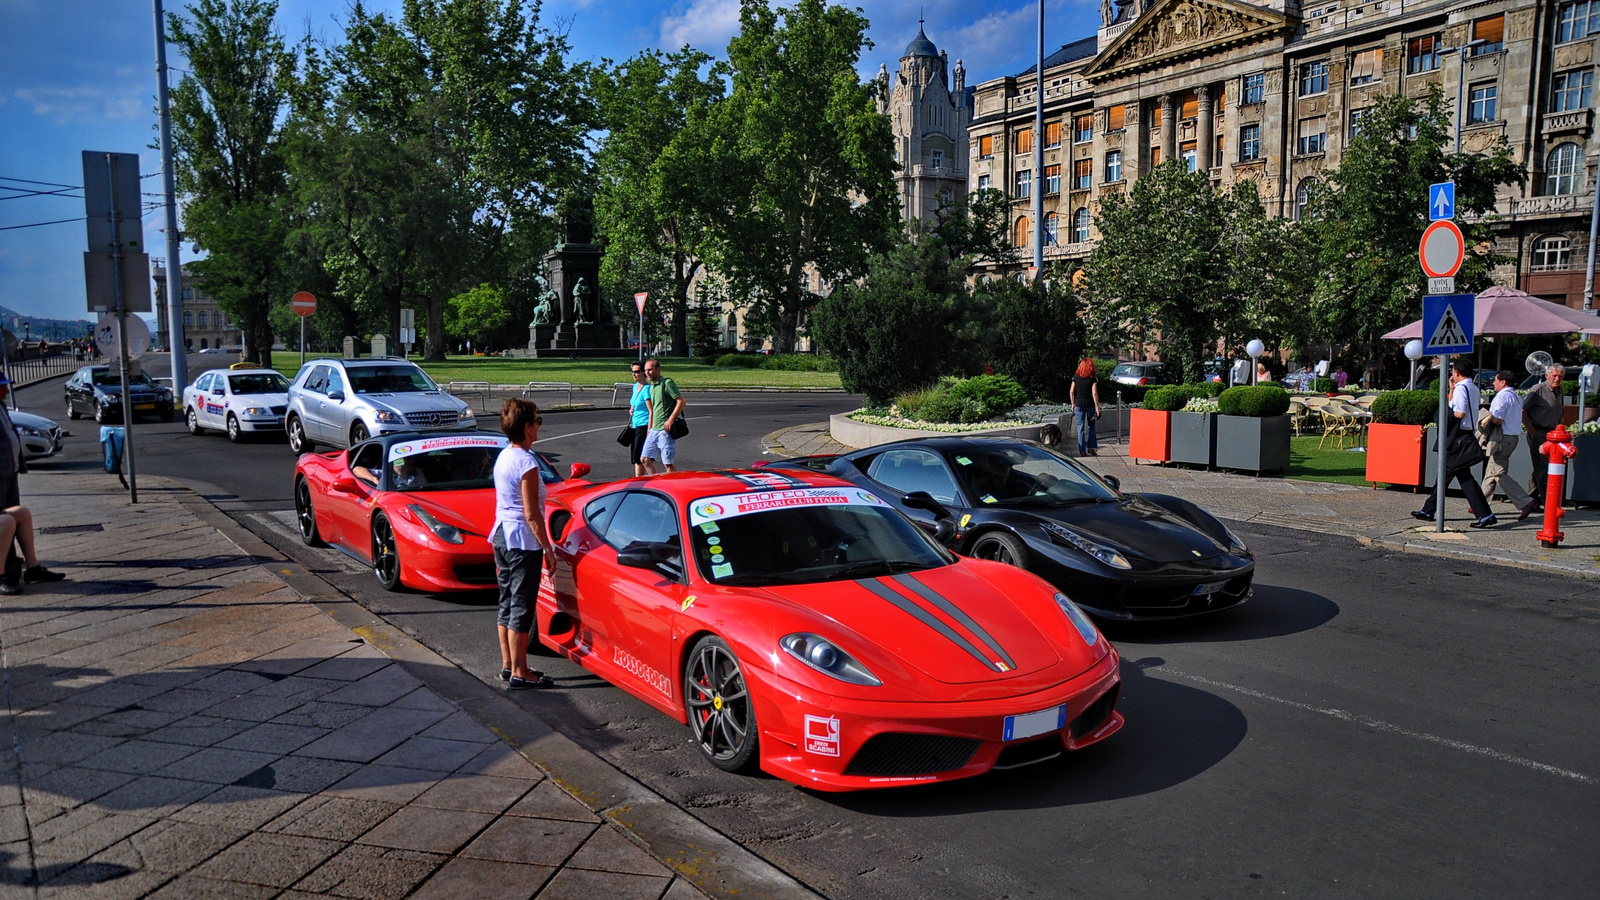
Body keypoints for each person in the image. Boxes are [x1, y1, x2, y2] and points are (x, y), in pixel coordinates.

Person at [492, 398, 555, 690]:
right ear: (527, 427)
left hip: (502, 535)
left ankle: (508, 664)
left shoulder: (504, 455)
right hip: (521, 541)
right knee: (522, 606)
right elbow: (532, 513)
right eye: (538, 421)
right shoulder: (527, 463)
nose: (540, 425)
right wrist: (548, 548)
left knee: (506, 601)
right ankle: (521, 670)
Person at [1414, 359, 1495, 528]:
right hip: (1465, 434)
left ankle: (1429, 510)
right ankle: (1484, 514)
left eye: (1452, 372)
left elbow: (1459, 412)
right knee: (1461, 477)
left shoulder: (1461, 388)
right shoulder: (1471, 387)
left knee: (1446, 474)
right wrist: (1451, 389)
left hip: (1456, 436)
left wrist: (1445, 415)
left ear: (1457, 372)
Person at [1482, 369, 1538, 521]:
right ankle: (1480, 503)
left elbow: (1497, 420)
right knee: (1492, 469)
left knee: (1498, 472)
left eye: (1496, 380)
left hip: (1501, 437)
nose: (1493, 383)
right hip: (1512, 437)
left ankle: (1525, 501)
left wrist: (1485, 418)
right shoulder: (1516, 397)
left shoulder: (1502, 397)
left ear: (1503, 382)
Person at [1523, 363, 1563, 508]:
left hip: (1553, 434)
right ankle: (1549, 504)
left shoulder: (1560, 390)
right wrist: (1533, 432)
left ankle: (1531, 499)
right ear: (1547, 376)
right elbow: (1523, 410)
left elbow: (1559, 411)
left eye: (1560, 376)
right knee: (1543, 468)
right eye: (1554, 376)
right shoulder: (1538, 390)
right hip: (1539, 432)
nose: (1557, 379)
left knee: (1541, 467)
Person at [640, 357, 686, 474]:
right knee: (645, 459)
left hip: (665, 431)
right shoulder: (652, 386)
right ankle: (658, 483)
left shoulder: (667, 383)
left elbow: (681, 401)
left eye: (650, 370)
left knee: (668, 464)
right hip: (654, 430)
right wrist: (650, 428)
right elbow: (653, 409)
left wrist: (670, 419)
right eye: (646, 370)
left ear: (658, 369)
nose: (647, 373)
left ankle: (676, 486)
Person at [1068, 358, 1100, 456]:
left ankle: (1082, 450)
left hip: (1078, 404)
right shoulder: (1093, 378)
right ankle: (1090, 447)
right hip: (1090, 405)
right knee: (1091, 426)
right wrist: (1097, 407)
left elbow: (1071, 391)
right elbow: (1094, 393)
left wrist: (1073, 403)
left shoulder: (1076, 377)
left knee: (1080, 428)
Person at [626, 362, 651, 477]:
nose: (634, 374)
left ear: (643, 373)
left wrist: (650, 428)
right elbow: (634, 403)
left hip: (644, 424)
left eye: (637, 372)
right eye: (633, 372)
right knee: (636, 457)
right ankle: (639, 479)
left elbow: (651, 410)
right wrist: (632, 409)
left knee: (640, 457)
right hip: (635, 424)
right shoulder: (635, 387)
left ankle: (642, 480)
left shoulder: (647, 389)